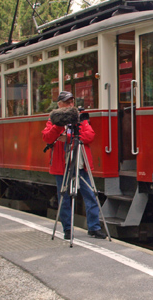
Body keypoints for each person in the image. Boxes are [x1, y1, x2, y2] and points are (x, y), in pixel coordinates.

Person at [41, 90, 105, 239]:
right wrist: (59, 123)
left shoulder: (81, 118)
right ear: (59, 104)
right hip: (61, 165)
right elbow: (47, 137)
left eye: (72, 102)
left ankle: (94, 227)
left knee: (90, 194)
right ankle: (67, 230)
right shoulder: (53, 119)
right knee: (64, 198)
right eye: (67, 102)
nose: (70, 105)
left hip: (80, 163)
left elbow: (90, 136)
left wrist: (69, 137)